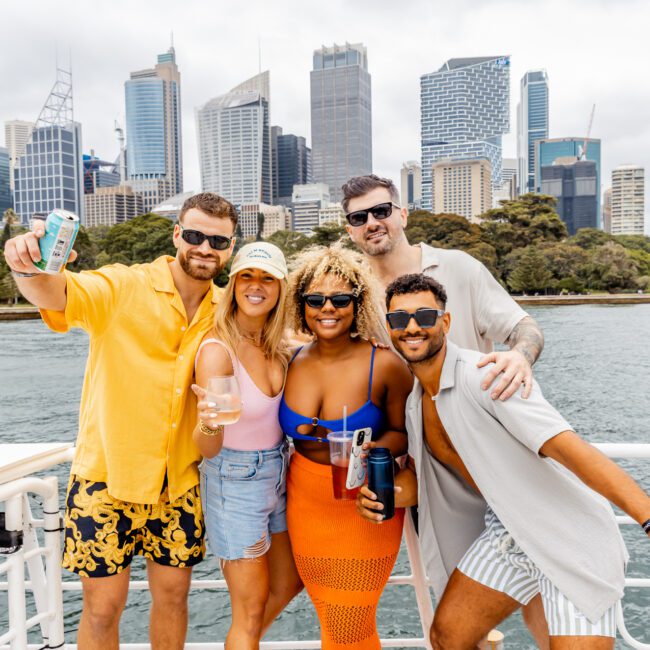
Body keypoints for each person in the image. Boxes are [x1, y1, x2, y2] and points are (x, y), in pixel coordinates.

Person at [358, 273, 650, 649]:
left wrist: (646, 516)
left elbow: (572, 452)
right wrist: (381, 495)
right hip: (507, 536)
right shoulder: (416, 401)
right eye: (399, 320)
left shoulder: (488, 376)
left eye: (425, 317)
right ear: (390, 327)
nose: (412, 328)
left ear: (445, 322)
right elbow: (424, 479)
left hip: (567, 535)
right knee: (448, 637)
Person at [3, 192, 237, 650]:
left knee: (173, 600)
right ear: (176, 236)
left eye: (217, 240)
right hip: (103, 482)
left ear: (230, 247)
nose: (205, 248)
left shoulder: (228, 307)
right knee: (102, 609)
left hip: (180, 484)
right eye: (194, 235)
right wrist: (28, 268)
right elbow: (59, 292)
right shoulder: (123, 285)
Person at [342, 174, 550, 642]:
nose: (372, 223)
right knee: (456, 602)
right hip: (426, 465)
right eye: (359, 217)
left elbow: (524, 327)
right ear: (349, 229)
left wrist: (519, 356)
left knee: (543, 592)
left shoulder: (458, 267)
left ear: (402, 213)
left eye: (381, 210)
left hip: (498, 450)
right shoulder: (351, 293)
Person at [279, 244, 413, 650]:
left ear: (358, 304)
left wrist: (371, 452)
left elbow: (404, 432)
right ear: (301, 304)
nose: (328, 309)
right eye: (315, 299)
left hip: (365, 504)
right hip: (305, 503)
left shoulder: (384, 363)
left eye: (340, 299)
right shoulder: (291, 359)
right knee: (330, 616)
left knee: (351, 620)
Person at [191, 242, 301, 649]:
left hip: (279, 474)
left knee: (289, 583)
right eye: (247, 277)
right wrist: (208, 421)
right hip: (233, 481)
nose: (256, 286)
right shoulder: (218, 351)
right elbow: (207, 448)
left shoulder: (280, 345)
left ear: (280, 288)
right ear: (233, 284)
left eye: (267, 278)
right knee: (249, 608)